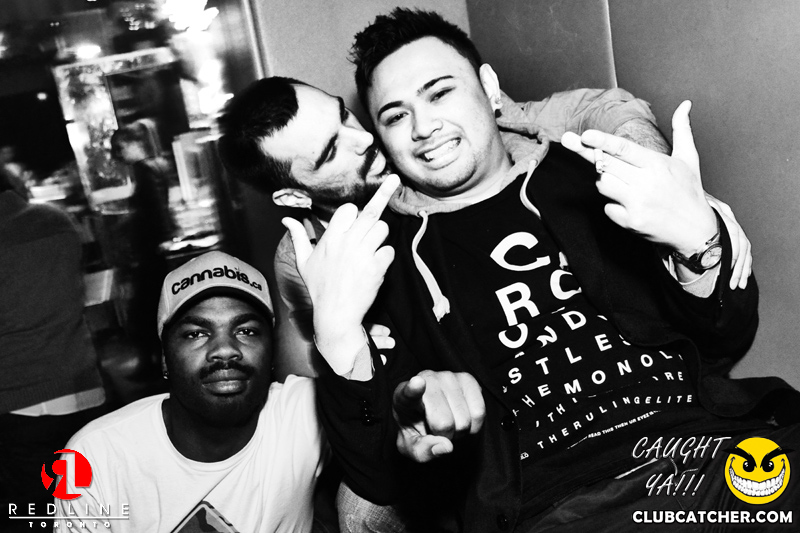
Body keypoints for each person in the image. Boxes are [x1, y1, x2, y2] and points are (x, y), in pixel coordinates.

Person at [282, 8, 799, 532]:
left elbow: (725, 336)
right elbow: (375, 481)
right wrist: (339, 337)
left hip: (720, 455)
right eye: (395, 116)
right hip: (562, 506)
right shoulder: (378, 259)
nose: (424, 127)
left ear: (489, 87)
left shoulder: (588, 171)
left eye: (440, 93)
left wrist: (699, 243)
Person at [218, 74, 735, 383]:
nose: (364, 140)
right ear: (294, 196)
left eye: (343, 117)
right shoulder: (301, 257)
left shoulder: (422, 140)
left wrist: (677, 200)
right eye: (332, 151)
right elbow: (318, 384)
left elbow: (602, 107)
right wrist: (348, 340)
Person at [53, 251, 326, 532]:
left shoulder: (305, 412)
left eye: (246, 331)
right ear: (164, 358)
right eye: (196, 333)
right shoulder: (94, 457)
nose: (225, 350)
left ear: (272, 351)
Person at [0, 170, 106, 532]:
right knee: (101, 508)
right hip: (87, 390)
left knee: (39, 517)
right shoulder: (55, 220)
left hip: (21, 402)